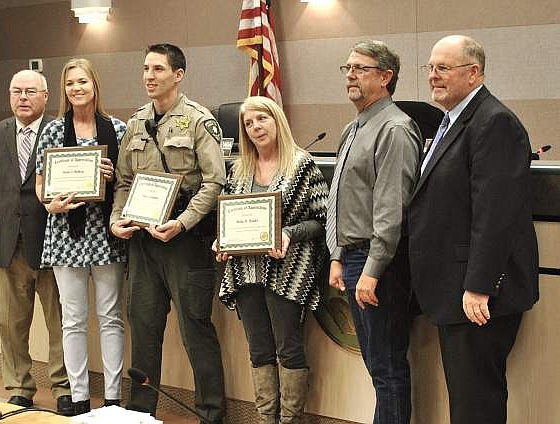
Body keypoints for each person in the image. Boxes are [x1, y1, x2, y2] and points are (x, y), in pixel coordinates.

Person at [408, 35, 539, 424]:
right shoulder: (452, 121)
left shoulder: (494, 122)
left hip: (478, 294)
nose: (433, 76)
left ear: (473, 72)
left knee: (475, 402)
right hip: (454, 289)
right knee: (466, 399)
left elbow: (496, 214)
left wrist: (479, 286)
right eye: (430, 68)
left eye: (443, 68)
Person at [110, 43, 226, 423]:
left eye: (158, 69)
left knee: (196, 330)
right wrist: (116, 219)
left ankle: (211, 414)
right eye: (145, 68)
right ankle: (141, 413)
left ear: (178, 75)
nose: (149, 76)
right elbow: (124, 182)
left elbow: (214, 183)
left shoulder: (198, 120)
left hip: (184, 241)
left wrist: (183, 222)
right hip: (144, 240)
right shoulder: (137, 122)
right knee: (143, 329)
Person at [216, 96, 328, 424]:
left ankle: (289, 421)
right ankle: (266, 420)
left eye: (262, 119)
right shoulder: (238, 170)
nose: (256, 127)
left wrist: (289, 233)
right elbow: (229, 218)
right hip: (245, 270)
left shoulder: (301, 164)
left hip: (288, 270)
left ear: (277, 119)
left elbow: (322, 220)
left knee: (288, 349)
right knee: (259, 351)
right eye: (249, 123)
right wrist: (221, 240)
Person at [327, 40, 421, 424]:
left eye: (361, 69)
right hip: (353, 258)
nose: (350, 75)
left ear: (386, 77)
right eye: (347, 68)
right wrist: (336, 256)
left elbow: (391, 208)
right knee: (376, 364)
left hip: (378, 262)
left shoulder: (395, 128)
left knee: (386, 366)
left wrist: (372, 269)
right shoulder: (354, 126)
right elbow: (337, 197)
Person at [0, 70, 72, 415]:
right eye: (16, 91)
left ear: (45, 96)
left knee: (60, 321)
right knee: (10, 322)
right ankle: (19, 386)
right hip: (9, 242)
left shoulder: (61, 130)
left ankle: (64, 387)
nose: (23, 97)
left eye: (30, 91)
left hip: (54, 241)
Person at [34, 58, 127, 415]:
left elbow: (128, 180)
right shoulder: (54, 131)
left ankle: (115, 397)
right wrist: (50, 203)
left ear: (94, 86)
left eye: (82, 82)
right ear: (64, 90)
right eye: (70, 83)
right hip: (65, 234)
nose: (76, 88)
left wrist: (112, 173)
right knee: (72, 319)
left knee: (111, 316)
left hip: (107, 234)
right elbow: (42, 184)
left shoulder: (116, 129)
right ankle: (79, 396)